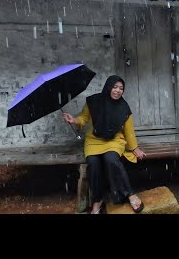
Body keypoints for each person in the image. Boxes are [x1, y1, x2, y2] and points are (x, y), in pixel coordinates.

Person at [62, 75, 146, 214]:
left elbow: (128, 130)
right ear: (108, 87)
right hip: (94, 140)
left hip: (114, 140)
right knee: (93, 163)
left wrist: (134, 148)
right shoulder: (94, 101)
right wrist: (74, 120)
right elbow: (84, 118)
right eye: (115, 87)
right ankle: (97, 199)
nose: (118, 91)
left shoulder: (123, 107)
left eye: (121, 88)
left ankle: (129, 193)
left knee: (111, 159)